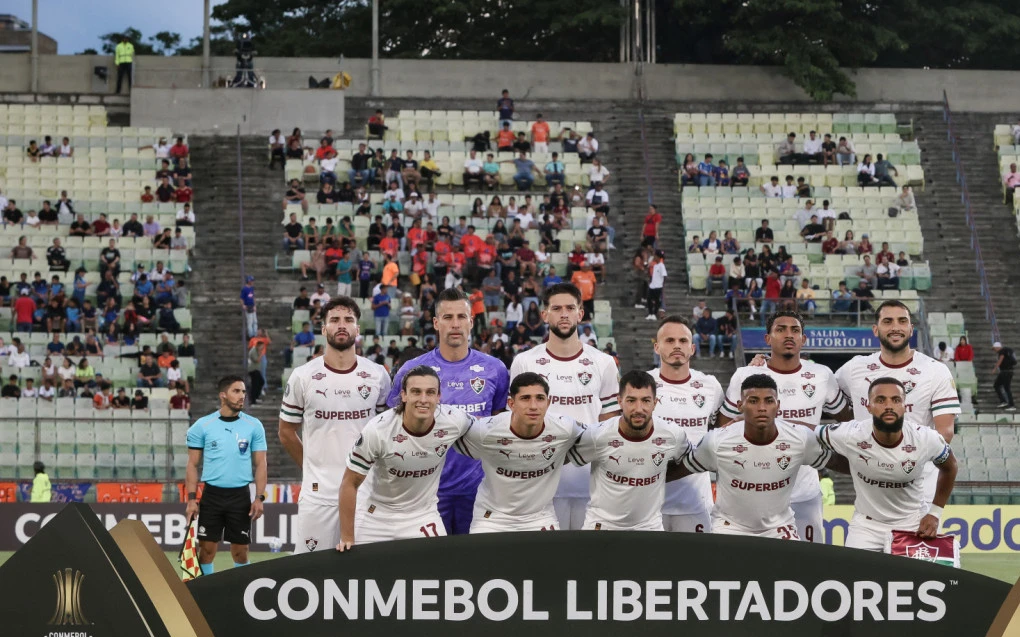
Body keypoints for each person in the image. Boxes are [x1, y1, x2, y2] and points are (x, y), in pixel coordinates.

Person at [719, 311, 853, 543]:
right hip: (755, 493)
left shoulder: (821, 375)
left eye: (795, 330)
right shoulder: (746, 375)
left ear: (804, 339)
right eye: (780, 329)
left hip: (805, 492)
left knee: (809, 568)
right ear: (768, 339)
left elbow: (849, 422)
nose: (788, 335)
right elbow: (722, 430)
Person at [385, 288, 510, 535]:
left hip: (479, 491)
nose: (455, 324)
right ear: (435, 323)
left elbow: (499, 425)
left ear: (471, 322)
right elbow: (392, 427)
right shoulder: (412, 371)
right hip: (425, 492)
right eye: (447, 317)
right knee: (429, 569)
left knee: (474, 566)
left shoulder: (495, 370)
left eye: (461, 317)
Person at [279, 297, 392, 554]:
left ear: (357, 329)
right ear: (324, 329)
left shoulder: (377, 375)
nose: (342, 325)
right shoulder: (303, 376)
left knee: (363, 577)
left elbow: (386, 430)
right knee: (309, 575)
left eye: (349, 320)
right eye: (335, 320)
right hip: (318, 495)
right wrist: (311, 466)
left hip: (365, 494)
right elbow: (286, 432)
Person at [509, 283, 621, 530]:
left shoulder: (603, 363)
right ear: (544, 315)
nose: (564, 314)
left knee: (589, 564)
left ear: (580, 314)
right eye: (556, 308)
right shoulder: (524, 362)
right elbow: (514, 425)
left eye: (570, 308)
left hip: (591, 487)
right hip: (540, 486)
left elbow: (611, 425)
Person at [668, 374, 832, 539]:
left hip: (779, 527)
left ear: (778, 405)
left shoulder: (799, 439)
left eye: (769, 401)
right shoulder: (717, 441)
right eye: (753, 401)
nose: (762, 407)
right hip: (729, 527)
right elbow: (683, 468)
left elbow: (837, 462)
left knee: (794, 565)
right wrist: (647, 475)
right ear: (740, 405)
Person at [836, 301, 961, 506]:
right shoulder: (854, 368)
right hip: (870, 488)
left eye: (902, 321)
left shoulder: (935, 371)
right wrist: (765, 365)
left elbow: (945, 433)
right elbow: (822, 392)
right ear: (876, 330)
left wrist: (901, 458)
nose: (895, 327)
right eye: (888, 321)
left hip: (919, 490)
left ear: (911, 329)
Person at [337, 366, 475, 549]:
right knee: (359, 574)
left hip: (422, 515)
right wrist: (347, 537)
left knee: (439, 572)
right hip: (375, 515)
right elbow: (349, 483)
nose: (423, 399)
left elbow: (486, 434)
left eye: (430, 392)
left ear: (438, 397)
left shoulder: (455, 420)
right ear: (404, 395)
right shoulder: (378, 430)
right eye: (416, 392)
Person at [816, 378, 958, 551]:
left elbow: (950, 468)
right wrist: (820, 459)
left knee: (918, 579)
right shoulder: (850, 434)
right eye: (880, 400)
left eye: (896, 400)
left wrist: (935, 513)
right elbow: (806, 437)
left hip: (912, 524)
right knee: (854, 577)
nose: (889, 406)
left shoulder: (926, 438)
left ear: (905, 405)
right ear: (868, 406)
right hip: (866, 527)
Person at [453, 372, 584, 532]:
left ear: (548, 403)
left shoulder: (566, 429)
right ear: (511, 403)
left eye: (540, 398)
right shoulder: (485, 431)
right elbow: (448, 435)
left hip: (540, 516)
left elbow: (597, 439)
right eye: (525, 398)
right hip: (492, 517)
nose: (534, 406)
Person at [568, 370, 691, 530]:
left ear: (655, 402)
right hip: (602, 526)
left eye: (646, 400)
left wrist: (660, 475)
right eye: (631, 400)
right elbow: (566, 457)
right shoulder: (597, 436)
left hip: (649, 527)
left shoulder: (672, 434)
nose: (638, 409)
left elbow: (691, 461)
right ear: (620, 401)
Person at [647, 316, 724, 532]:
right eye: (669, 341)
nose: (677, 346)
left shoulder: (710, 387)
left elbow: (722, 434)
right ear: (657, 347)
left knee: (695, 566)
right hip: (649, 505)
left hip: (696, 502)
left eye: (682, 341)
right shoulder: (643, 384)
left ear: (692, 348)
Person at [184, 375, 267, 574]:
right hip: (212, 496)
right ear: (223, 395)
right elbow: (192, 465)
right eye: (236, 391)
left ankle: (242, 594)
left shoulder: (254, 425)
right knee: (206, 551)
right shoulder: (202, 426)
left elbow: (261, 463)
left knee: (241, 552)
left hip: (240, 496)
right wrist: (192, 499)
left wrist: (259, 498)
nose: (242, 396)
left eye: (244, 392)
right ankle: (206, 595)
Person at [993, 342, 1016, 410]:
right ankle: (1003, 401)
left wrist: (995, 368)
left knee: (1006, 388)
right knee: (997, 385)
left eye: (994, 349)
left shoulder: (1002, 351)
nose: (994, 351)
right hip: (1006, 372)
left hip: (1006, 372)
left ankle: (1011, 405)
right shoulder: (1006, 351)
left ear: (997, 347)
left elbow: (1001, 359)